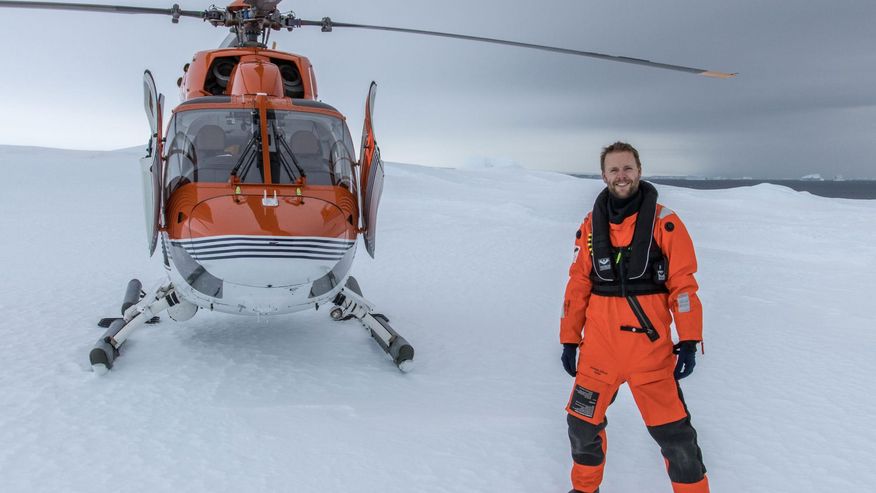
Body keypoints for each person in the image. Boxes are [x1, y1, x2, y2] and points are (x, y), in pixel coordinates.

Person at [560, 142, 709, 493]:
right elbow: (578, 285)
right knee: (581, 428)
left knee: (676, 440)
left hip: (650, 355)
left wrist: (688, 340)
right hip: (599, 354)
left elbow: (684, 287)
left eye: (627, 168)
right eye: (614, 169)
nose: (621, 176)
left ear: (639, 171)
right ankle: (584, 490)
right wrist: (569, 339)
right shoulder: (590, 226)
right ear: (603, 175)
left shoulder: (666, 223)